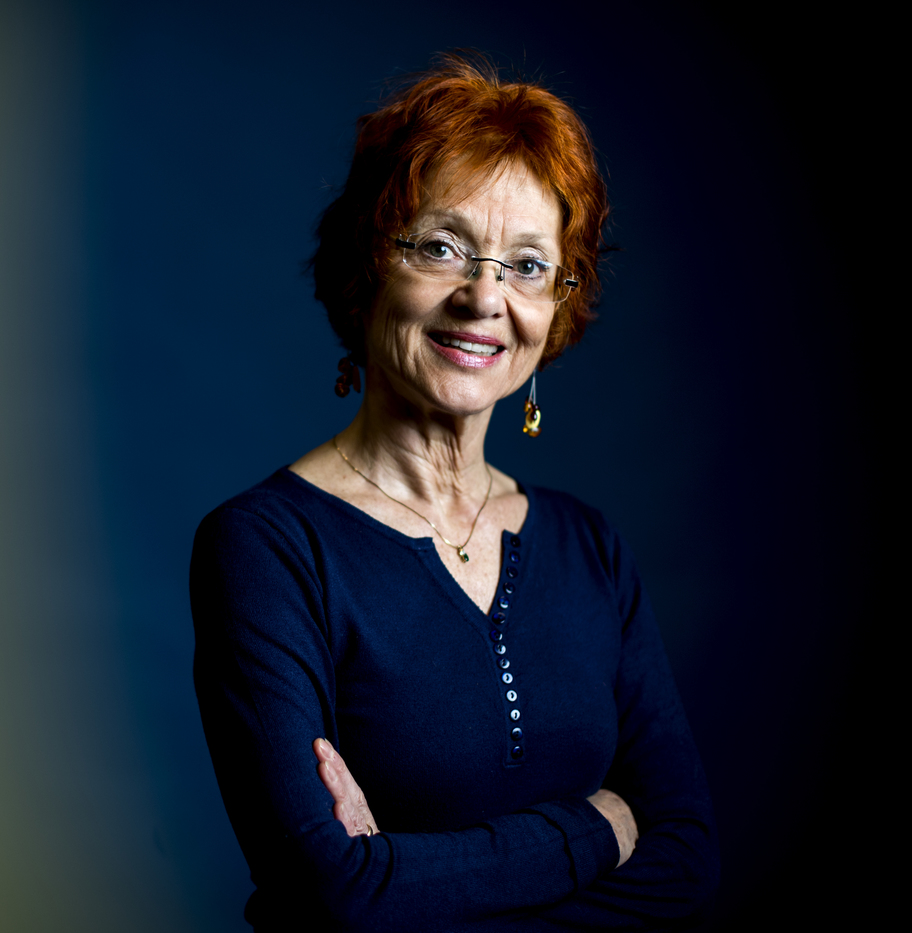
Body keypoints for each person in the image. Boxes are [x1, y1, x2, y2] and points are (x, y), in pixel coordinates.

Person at [190, 55, 719, 931]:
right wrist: (599, 824)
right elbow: (329, 888)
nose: (484, 297)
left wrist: (402, 883)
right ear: (369, 267)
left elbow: (686, 858)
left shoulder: (590, 548)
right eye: (441, 247)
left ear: (557, 308)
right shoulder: (265, 547)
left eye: (526, 266)